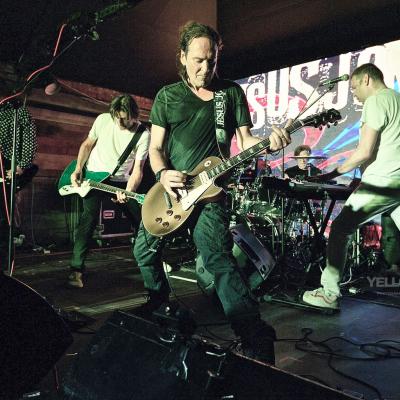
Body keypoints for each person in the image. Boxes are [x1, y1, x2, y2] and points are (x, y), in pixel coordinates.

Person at [133, 21, 290, 364]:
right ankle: (161, 307)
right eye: (198, 60)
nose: (205, 68)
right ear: (182, 57)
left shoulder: (229, 94)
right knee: (143, 250)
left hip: (212, 193)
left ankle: (253, 333)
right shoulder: (167, 96)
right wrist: (163, 173)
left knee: (218, 259)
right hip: (173, 192)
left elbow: (245, 141)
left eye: (212, 61)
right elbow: (155, 148)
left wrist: (270, 142)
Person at [303, 63, 400, 309]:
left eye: (354, 87)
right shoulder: (397, 99)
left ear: (367, 79)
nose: (354, 94)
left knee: (340, 229)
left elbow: (364, 151)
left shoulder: (376, 101)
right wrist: (359, 180)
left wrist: (330, 174)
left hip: (383, 181)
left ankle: (329, 293)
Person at [68, 94, 150, 288]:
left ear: (134, 115)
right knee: (88, 220)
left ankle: (152, 260)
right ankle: (76, 270)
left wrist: (129, 191)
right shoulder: (103, 119)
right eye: (116, 117)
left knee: (143, 221)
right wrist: (78, 168)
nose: (119, 122)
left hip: (120, 182)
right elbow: (87, 144)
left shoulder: (143, 134)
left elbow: (138, 169)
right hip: (94, 177)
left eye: (124, 118)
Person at [0, 101, 38, 273]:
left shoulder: (17, 111)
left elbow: (29, 137)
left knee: (3, 219)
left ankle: (3, 266)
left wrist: (21, 166)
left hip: (7, 167)